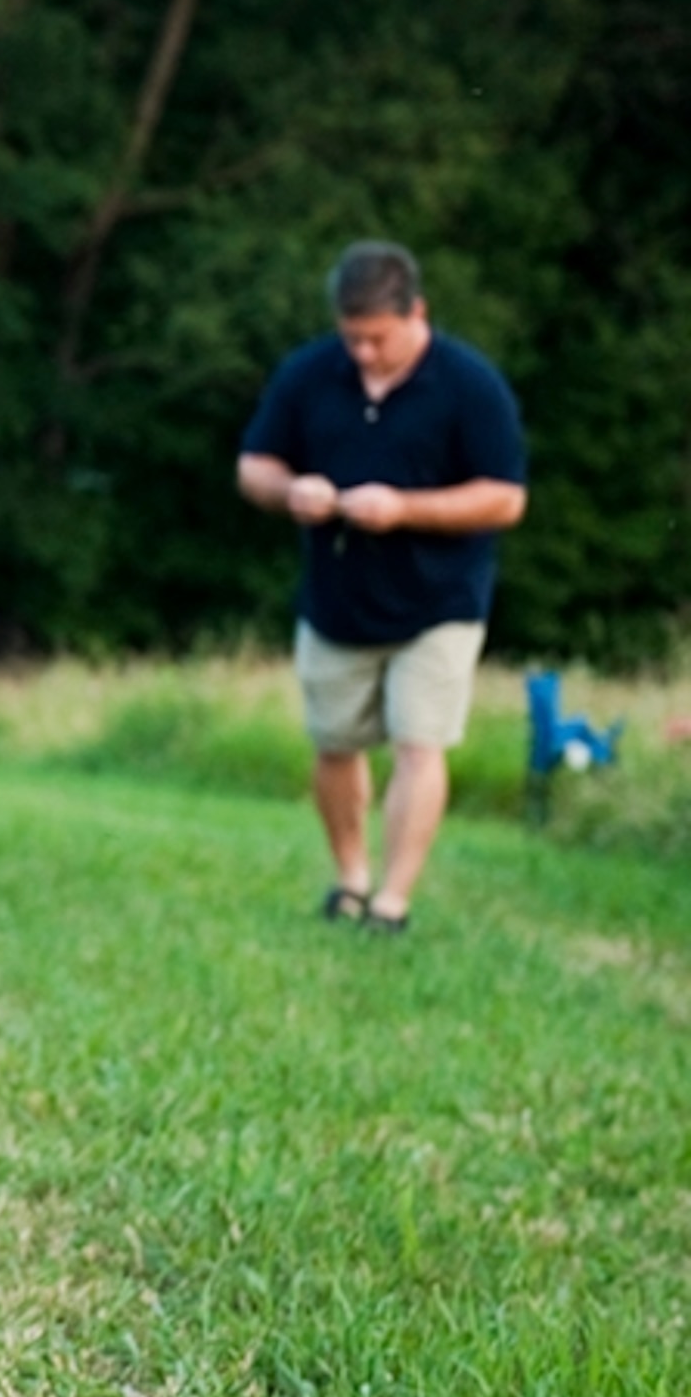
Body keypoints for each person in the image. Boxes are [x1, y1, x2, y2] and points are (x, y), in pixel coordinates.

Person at [236, 241, 527, 933]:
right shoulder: (310, 374)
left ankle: (393, 902)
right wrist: (290, 489)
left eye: (377, 338)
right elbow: (254, 465)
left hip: (440, 600)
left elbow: (504, 498)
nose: (363, 352)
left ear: (416, 313)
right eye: (351, 337)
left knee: (419, 743)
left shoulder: (470, 385)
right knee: (334, 744)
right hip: (337, 599)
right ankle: (351, 880)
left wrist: (405, 509)